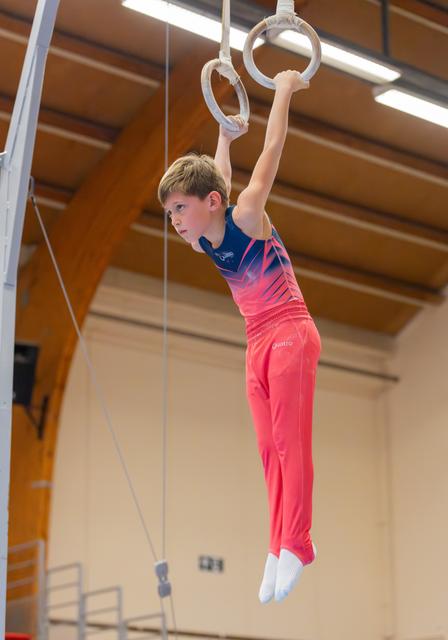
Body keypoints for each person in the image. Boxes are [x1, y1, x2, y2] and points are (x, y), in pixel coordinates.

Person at [158, 70, 321, 603]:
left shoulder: (247, 215)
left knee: (289, 441)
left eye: (179, 208)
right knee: (267, 447)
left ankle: (298, 541)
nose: (175, 221)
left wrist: (284, 91)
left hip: (291, 333)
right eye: (169, 214)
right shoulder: (203, 237)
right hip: (256, 341)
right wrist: (224, 137)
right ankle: (276, 544)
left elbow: (272, 149)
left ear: (207, 202)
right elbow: (216, 179)